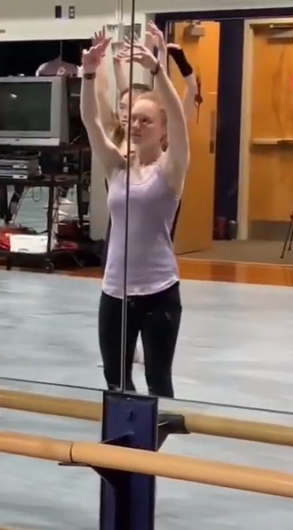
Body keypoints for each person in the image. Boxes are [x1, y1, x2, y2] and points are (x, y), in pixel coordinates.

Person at [81, 25, 189, 399]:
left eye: (147, 120)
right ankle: (123, 455)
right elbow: (91, 122)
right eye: (133, 119)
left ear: (161, 131)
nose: (137, 125)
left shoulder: (171, 169)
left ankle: (153, 458)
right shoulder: (117, 165)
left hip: (159, 291)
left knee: (158, 382)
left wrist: (158, 70)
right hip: (114, 292)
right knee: (116, 384)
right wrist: (89, 73)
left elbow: (178, 117)